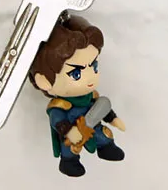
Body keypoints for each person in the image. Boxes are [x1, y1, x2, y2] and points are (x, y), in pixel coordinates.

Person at [28, 15, 126, 177]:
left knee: (104, 135)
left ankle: (106, 148)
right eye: (76, 74)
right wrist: (69, 131)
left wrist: (113, 118)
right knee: (70, 147)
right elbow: (57, 119)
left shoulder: (91, 96)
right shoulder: (60, 106)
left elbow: (101, 107)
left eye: (94, 66)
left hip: (92, 127)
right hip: (72, 132)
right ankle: (69, 162)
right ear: (43, 81)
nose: (90, 78)